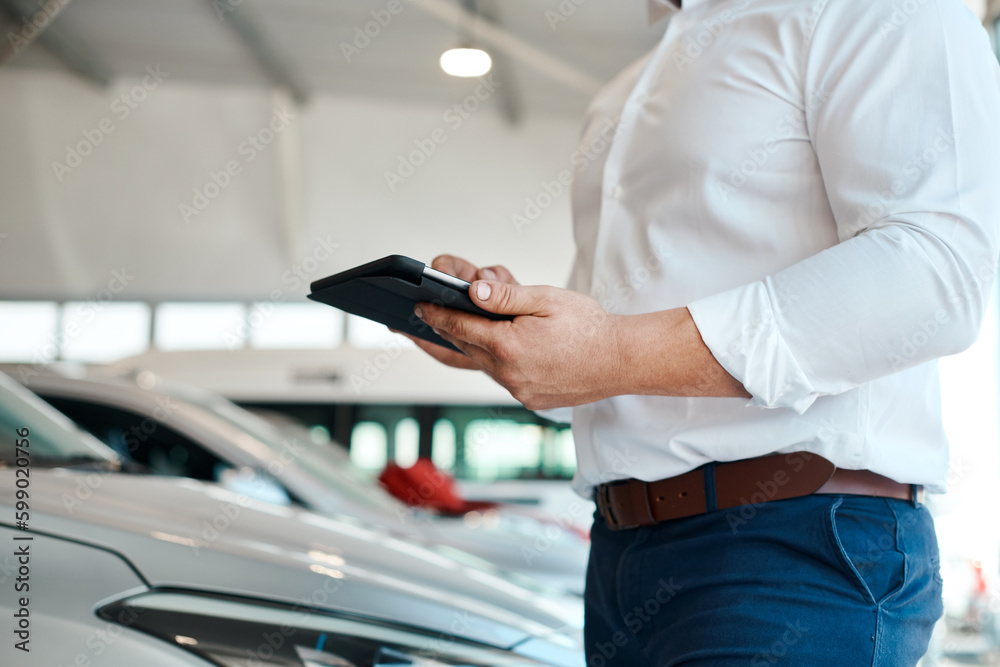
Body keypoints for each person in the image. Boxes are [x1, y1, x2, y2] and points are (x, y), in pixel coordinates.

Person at [403, 0, 1000, 663]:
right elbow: (620, 336)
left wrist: (609, 352)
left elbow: (938, 271)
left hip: (794, 548)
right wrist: (508, 338)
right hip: (622, 552)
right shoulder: (626, 88)